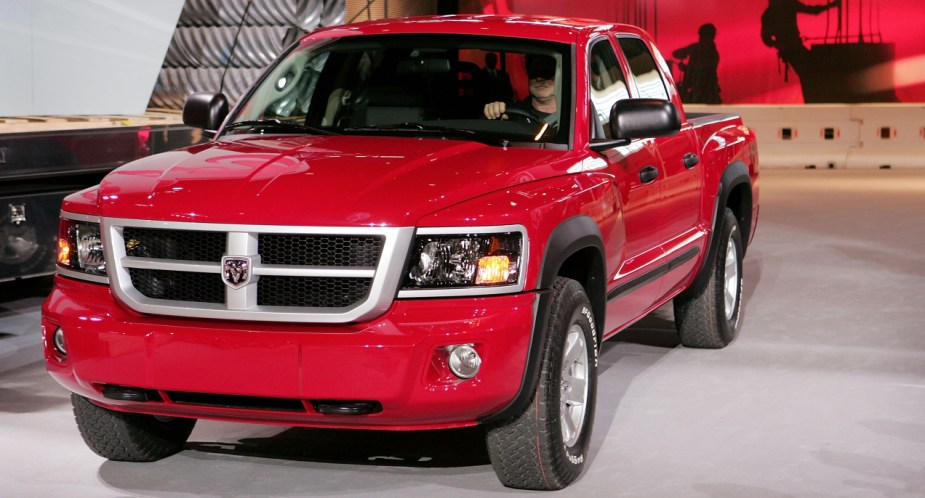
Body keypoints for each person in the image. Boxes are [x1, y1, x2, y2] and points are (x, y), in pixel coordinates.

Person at [761, 0, 840, 80]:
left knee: (809, 70)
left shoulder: (770, 13)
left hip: (792, 47)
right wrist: (830, 6)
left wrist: (778, 44)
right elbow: (812, 10)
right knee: (810, 70)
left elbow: (766, 38)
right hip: (793, 48)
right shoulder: (787, 6)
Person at [483, 54, 557, 125]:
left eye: (547, 73)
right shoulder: (510, 113)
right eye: (534, 73)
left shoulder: (567, 116)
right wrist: (493, 111)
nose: (539, 78)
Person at [672, 23, 722, 104]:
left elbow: (701, 71)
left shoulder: (696, 48)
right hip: (707, 91)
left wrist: (686, 68)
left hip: (699, 91)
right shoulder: (712, 52)